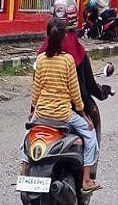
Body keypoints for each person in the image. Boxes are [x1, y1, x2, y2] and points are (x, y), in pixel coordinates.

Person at [22, 16, 100, 193]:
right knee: (90, 135)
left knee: (27, 137)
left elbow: (36, 89)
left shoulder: (41, 59)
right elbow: (75, 93)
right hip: (63, 115)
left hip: (41, 114)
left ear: (47, 36)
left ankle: (24, 169)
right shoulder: (68, 60)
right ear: (64, 37)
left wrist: (33, 110)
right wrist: (84, 115)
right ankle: (86, 180)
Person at [41, 0, 112, 137]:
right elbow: (82, 88)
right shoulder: (76, 52)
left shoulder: (42, 54)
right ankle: (90, 160)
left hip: (44, 108)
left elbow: (36, 85)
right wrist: (102, 93)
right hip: (69, 108)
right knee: (92, 127)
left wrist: (32, 110)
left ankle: (25, 158)